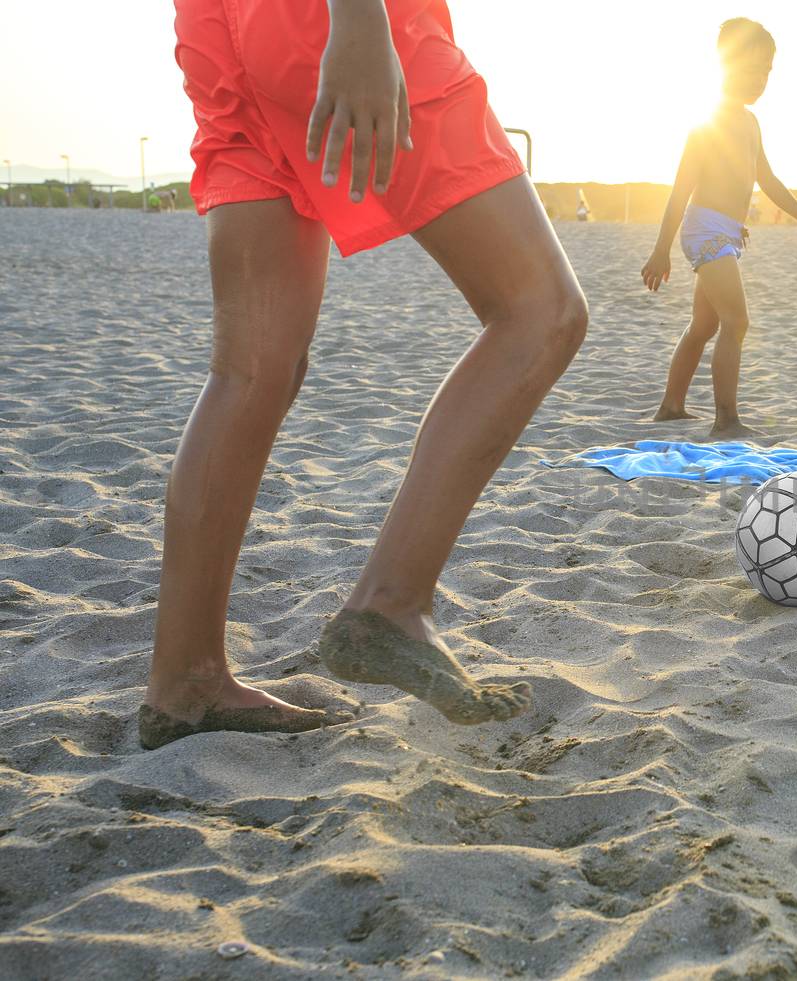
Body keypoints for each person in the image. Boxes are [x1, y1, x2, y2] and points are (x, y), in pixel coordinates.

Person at [144, 0, 588, 749]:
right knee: (540, 310)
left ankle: (183, 679)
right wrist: (357, 22)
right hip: (326, 20)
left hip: (221, 28)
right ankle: (392, 602)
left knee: (250, 371)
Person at [641, 17, 797, 438]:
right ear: (724, 66)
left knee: (705, 326)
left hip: (726, 230)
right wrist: (661, 249)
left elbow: (767, 182)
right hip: (704, 229)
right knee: (737, 321)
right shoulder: (706, 124)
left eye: (767, 70)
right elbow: (680, 193)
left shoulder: (750, 123)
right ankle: (726, 419)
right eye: (751, 68)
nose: (760, 78)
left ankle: (671, 407)